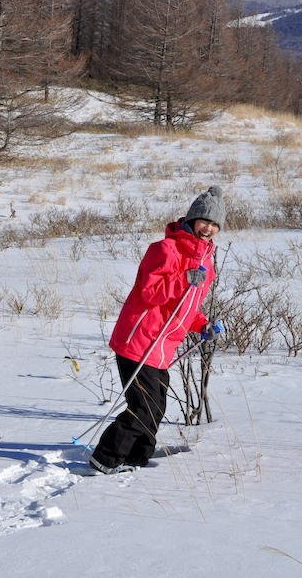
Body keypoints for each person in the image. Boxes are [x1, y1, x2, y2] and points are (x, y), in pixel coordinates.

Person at [89, 186, 225, 474]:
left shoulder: (206, 262)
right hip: (140, 340)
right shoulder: (165, 249)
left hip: (162, 346)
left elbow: (187, 307)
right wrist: (184, 279)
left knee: (155, 407)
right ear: (191, 220)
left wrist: (202, 325)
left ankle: (136, 459)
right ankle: (105, 459)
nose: (208, 229)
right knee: (143, 407)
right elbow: (150, 292)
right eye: (204, 221)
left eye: (214, 225)